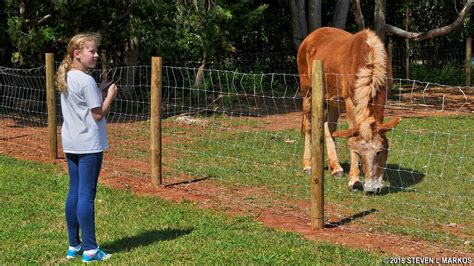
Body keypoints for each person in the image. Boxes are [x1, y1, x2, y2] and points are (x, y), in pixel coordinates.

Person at [55, 33, 118, 262]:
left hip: (71, 142)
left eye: (96, 51)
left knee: (74, 191)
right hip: (89, 144)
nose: (96, 54)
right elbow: (98, 114)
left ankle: (74, 246)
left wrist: (98, 96)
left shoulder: (67, 76)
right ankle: (91, 250)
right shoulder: (87, 80)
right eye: (91, 51)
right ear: (77, 54)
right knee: (86, 194)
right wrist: (110, 95)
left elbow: (83, 106)